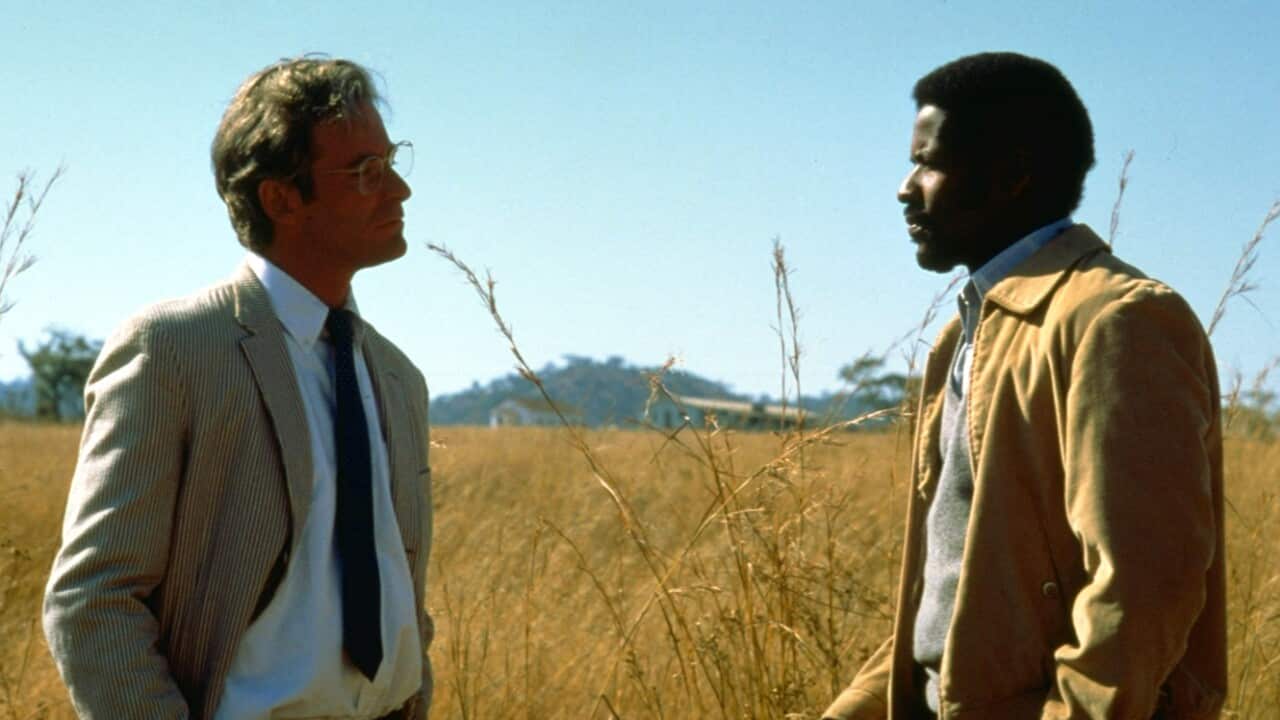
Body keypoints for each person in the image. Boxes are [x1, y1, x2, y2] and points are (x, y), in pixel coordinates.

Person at [823, 52, 1225, 720]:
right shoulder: (963, 335)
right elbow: (950, 593)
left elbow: (1144, 588)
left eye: (929, 164)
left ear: (1012, 176)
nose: (905, 188)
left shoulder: (1117, 319)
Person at [43, 57, 434, 719]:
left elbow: (403, 595)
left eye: (392, 161)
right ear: (282, 199)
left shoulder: (397, 378)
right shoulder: (174, 349)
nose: (399, 189)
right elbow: (94, 599)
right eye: (366, 171)